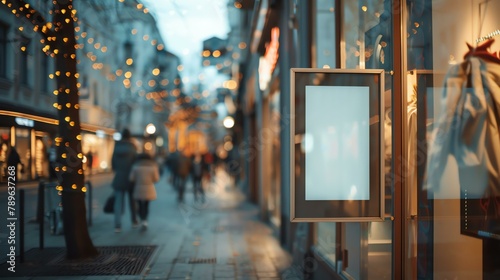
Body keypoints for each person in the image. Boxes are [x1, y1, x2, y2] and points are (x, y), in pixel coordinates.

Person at [111, 128, 138, 232]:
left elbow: (112, 162)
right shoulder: (132, 147)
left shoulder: (117, 146)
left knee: (118, 202)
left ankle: (117, 225)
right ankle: (134, 221)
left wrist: (118, 170)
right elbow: (135, 162)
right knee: (132, 201)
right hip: (131, 177)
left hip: (119, 177)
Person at [129, 153, 160, 230]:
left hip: (138, 188)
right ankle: (145, 220)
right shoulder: (153, 166)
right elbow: (156, 179)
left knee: (139, 204)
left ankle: (141, 217)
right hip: (149, 188)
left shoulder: (135, 166)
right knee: (146, 205)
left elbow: (131, 178)